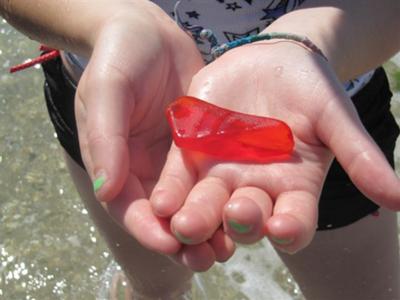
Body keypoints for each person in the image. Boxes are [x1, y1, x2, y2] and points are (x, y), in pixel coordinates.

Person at [1, 0, 400, 299]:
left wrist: (314, 36)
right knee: (154, 287)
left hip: (321, 105)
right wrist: (108, 21)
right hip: (117, 98)